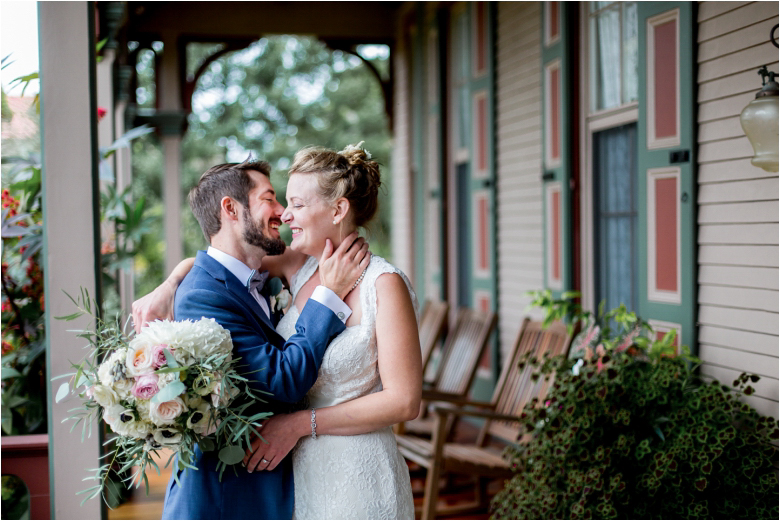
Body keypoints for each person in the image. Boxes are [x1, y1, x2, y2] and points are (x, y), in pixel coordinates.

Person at [133, 143, 421, 520]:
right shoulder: (295, 265)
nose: (285, 215)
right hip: (295, 479)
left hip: (358, 471)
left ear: (338, 209)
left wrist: (301, 424)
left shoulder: (383, 284)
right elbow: (223, 255)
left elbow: (405, 402)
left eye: (297, 205)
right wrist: (170, 283)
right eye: (279, 201)